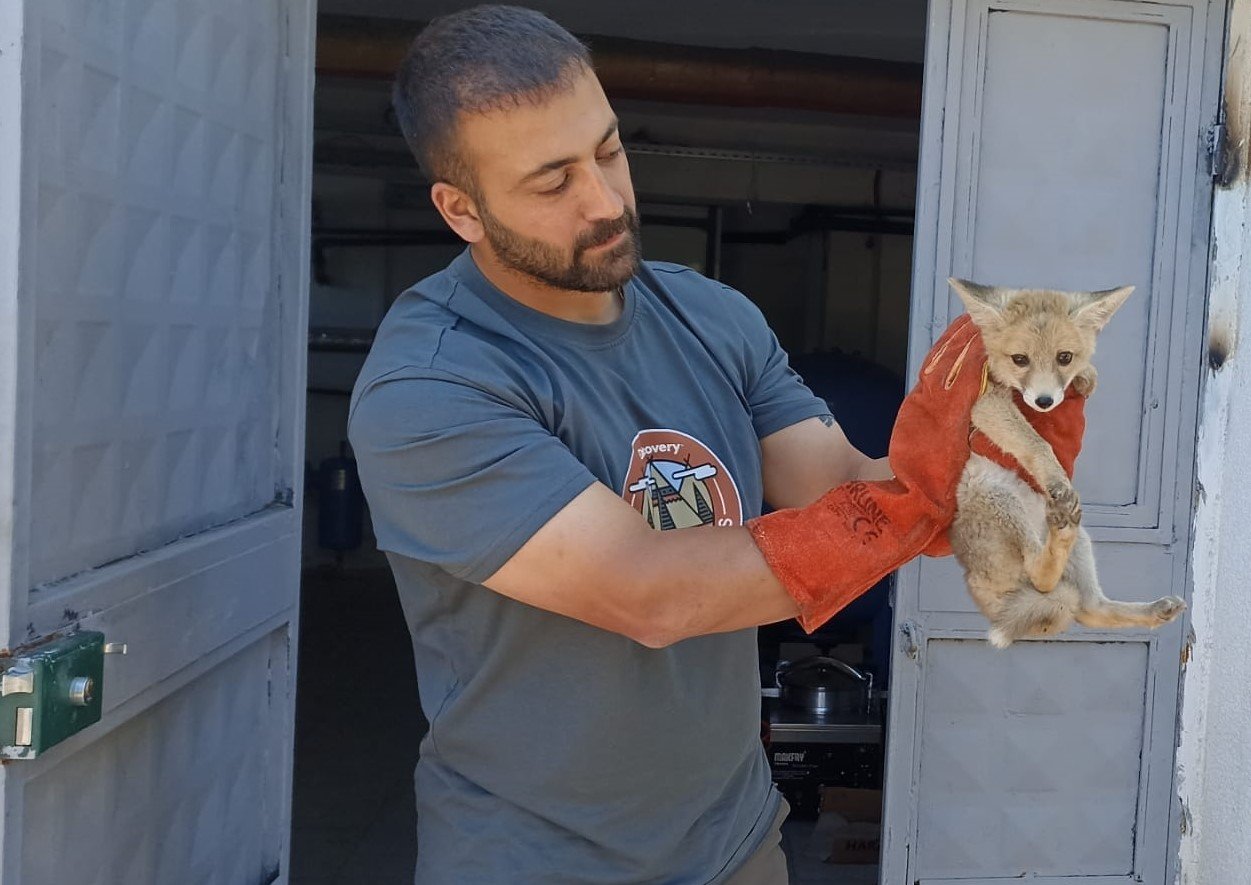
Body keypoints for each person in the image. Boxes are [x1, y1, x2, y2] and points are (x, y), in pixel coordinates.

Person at [348, 6, 901, 883]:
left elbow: (835, 487)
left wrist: (979, 450)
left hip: (735, 842)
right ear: (462, 209)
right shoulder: (431, 382)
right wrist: (913, 517)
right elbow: (651, 594)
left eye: (608, 151)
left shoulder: (709, 314)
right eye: (552, 182)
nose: (605, 202)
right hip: (535, 860)